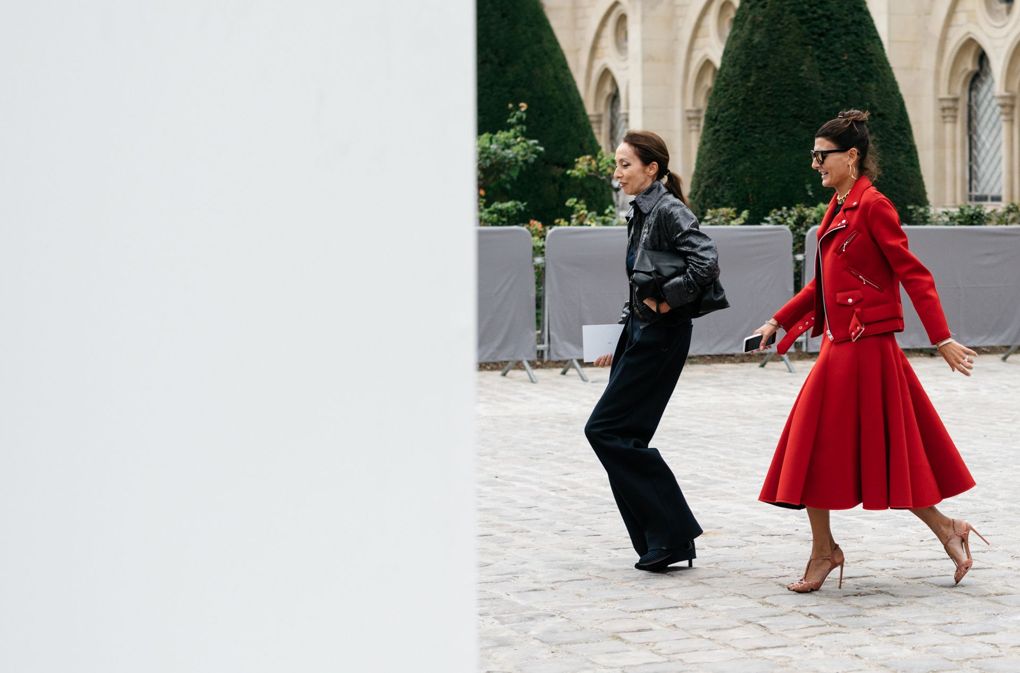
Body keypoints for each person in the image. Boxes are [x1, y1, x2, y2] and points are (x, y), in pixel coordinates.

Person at [754, 109, 988, 592]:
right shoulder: (840, 205)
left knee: (850, 446)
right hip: (843, 345)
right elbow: (825, 281)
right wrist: (779, 319)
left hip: (868, 348)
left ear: (852, 156)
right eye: (814, 155)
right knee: (863, 450)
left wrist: (940, 338)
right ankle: (942, 530)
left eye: (822, 156)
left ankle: (835, 549)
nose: (815, 163)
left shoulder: (874, 206)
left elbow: (913, 273)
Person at [585, 130, 722, 572]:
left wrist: (665, 301)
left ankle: (674, 532)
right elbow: (640, 279)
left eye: (625, 164)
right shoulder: (642, 212)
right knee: (623, 435)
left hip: (661, 337)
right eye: (618, 164)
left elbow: (706, 262)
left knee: (605, 430)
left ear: (652, 169)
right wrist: (619, 335)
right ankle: (663, 540)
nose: (617, 173)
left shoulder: (668, 210)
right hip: (640, 336)